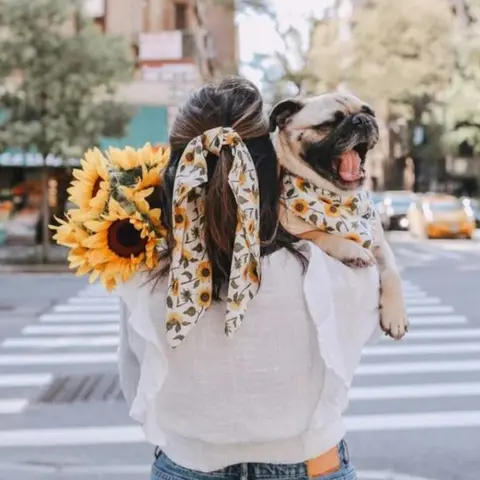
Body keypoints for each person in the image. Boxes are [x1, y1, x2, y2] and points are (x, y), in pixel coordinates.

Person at [117, 77, 381, 480]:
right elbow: (366, 330)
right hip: (310, 463)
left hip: (189, 465)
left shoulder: (141, 271)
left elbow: (134, 380)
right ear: (268, 166)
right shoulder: (329, 265)